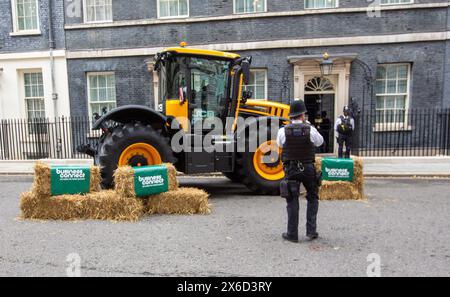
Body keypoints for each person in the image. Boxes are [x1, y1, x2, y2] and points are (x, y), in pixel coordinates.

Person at [277, 99, 324, 243]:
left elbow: (279, 144)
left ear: (291, 116)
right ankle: (311, 231)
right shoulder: (311, 129)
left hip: (291, 168)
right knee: (312, 197)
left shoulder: (282, 131)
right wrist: (309, 127)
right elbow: (320, 142)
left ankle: (292, 234)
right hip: (308, 168)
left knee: (292, 200)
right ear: (303, 115)